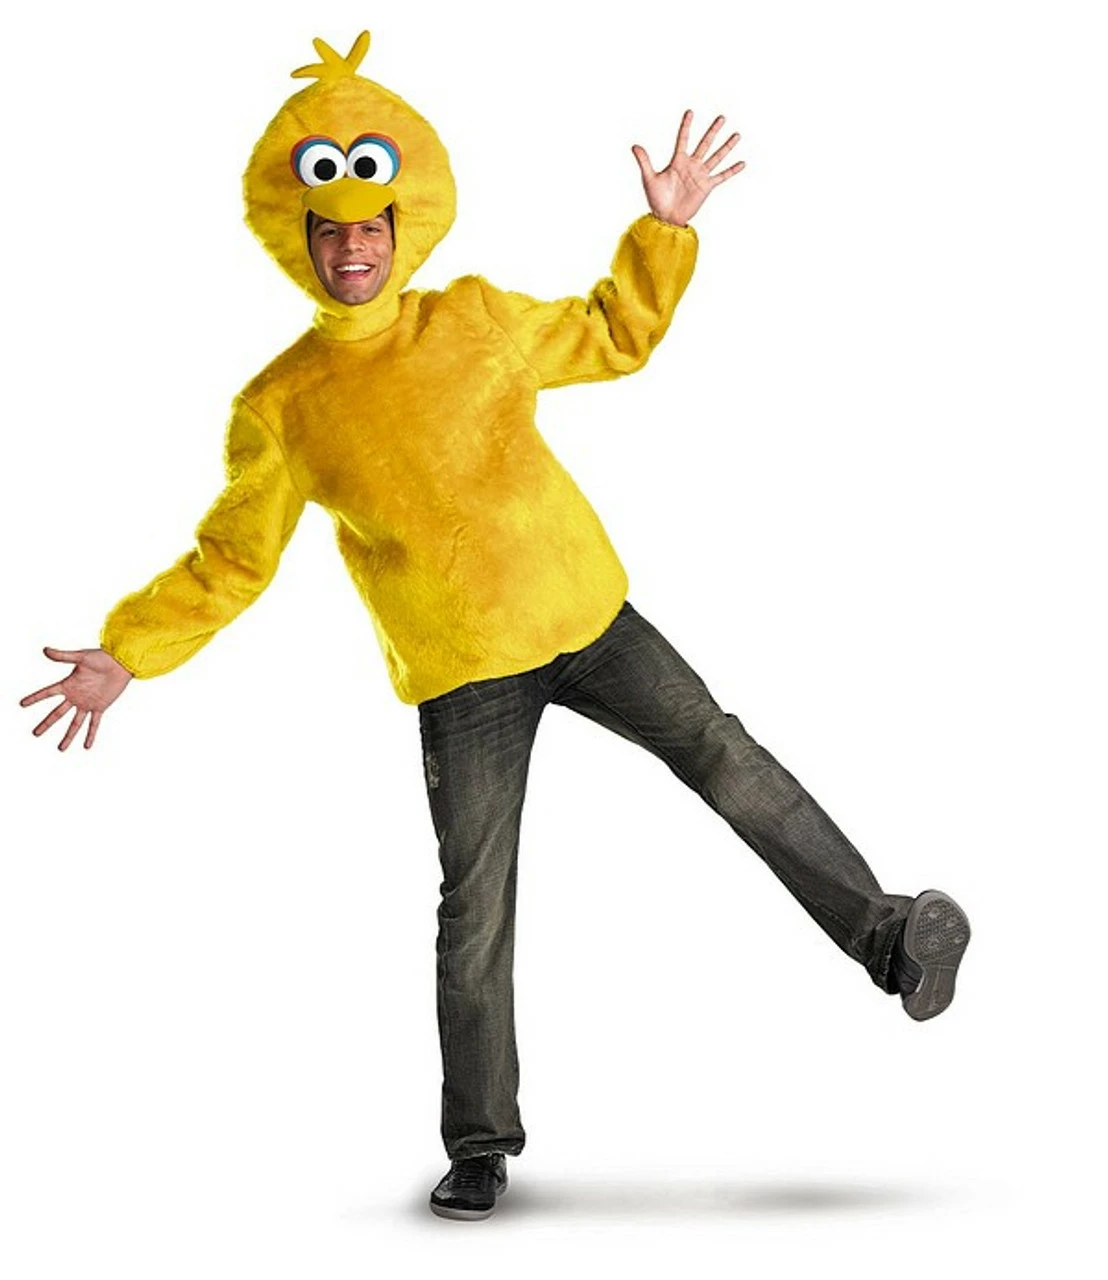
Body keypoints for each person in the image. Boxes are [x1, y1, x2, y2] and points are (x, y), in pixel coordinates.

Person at [20, 33, 970, 1222]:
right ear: (298, 237)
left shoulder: (471, 317)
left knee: (724, 753)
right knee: (475, 904)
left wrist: (663, 228)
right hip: (464, 674)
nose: (353, 245)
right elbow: (232, 558)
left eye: (371, 224)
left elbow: (610, 333)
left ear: (403, 221)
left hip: (585, 615)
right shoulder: (283, 404)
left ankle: (888, 935)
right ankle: (479, 1142)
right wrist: (129, 651)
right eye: (331, 229)